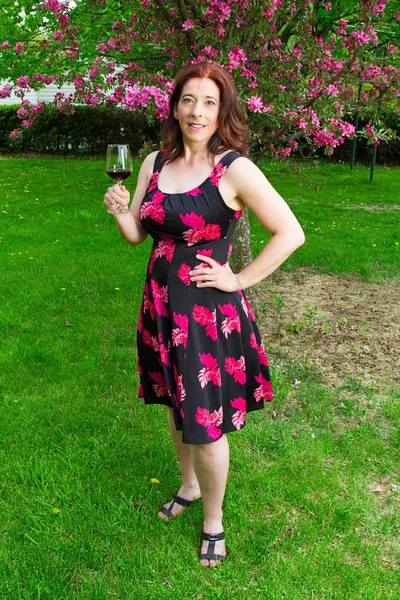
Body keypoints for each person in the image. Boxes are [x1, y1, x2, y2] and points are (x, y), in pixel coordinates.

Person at [103, 62, 305, 568]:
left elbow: (291, 233)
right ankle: (189, 487)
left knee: (206, 422)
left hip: (205, 313)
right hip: (160, 305)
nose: (197, 110)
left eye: (209, 102)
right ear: (175, 106)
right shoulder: (156, 160)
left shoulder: (233, 169)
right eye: (189, 99)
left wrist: (238, 278)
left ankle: (213, 521)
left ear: (222, 113)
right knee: (176, 404)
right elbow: (138, 236)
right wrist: (121, 211)